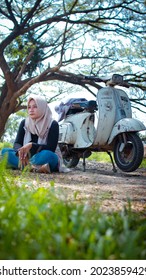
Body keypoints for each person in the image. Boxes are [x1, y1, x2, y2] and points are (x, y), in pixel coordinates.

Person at [1, 95, 60, 173]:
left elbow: (51, 147)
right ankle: (35, 167)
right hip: (25, 156)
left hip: (41, 156)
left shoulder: (52, 124)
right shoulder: (24, 123)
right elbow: (17, 143)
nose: (31, 110)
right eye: (29, 107)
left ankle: (23, 166)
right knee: (5, 151)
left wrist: (31, 145)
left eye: (35, 107)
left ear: (42, 107)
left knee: (49, 156)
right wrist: (20, 153)